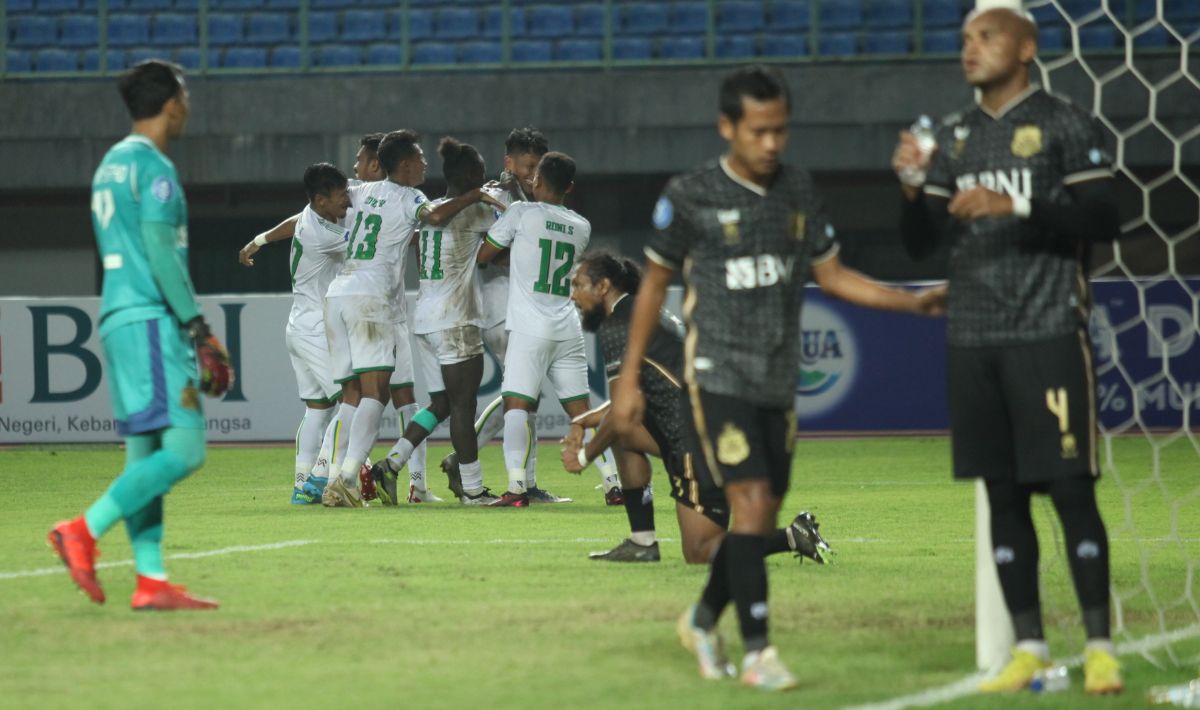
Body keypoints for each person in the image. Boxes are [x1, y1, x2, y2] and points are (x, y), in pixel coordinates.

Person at [611, 65, 945, 689]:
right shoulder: (691, 196)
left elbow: (835, 274)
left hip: (776, 382)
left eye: (781, 131)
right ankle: (760, 652)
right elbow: (654, 285)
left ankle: (703, 619)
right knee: (752, 502)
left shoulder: (798, 190)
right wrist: (628, 379)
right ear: (727, 127)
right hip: (717, 376)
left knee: (759, 520)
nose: (771, 144)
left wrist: (912, 301)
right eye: (759, 131)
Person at [892, 5, 1123, 695]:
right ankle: (1029, 647)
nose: (971, 49)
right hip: (973, 337)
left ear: (1025, 48)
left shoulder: (1063, 121)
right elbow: (920, 242)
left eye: (986, 37)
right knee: (1003, 495)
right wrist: (909, 191)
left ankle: (1102, 648)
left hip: (1048, 330)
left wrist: (1015, 205)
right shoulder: (955, 137)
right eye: (964, 39)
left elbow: (1105, 217)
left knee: (1070, 489)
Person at [49, 59, 233, 611]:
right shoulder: (153, 169)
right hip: (151, 320)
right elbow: (158, 251)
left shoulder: (110, 164)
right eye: (186, 95)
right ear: (172, 102)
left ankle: (150, 580)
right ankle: (83, 529)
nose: (188, 107)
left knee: (143, 458)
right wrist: (197, 326)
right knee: (185, 449)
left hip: (119, 316)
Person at [563, 252, 832, 566]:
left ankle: (790, 536)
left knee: (700, 552)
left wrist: (583, 456)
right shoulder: (644, 312)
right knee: (624, 437)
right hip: (719, 427)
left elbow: (623, 414)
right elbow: (633, 397)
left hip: (697, 442)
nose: (573, 295)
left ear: (603, 286)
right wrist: (587, 418)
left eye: (578, 284)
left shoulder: (618, 326)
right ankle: (642, 542)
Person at [321, 130, 503, 507]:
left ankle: (384, 465)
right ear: (404, 164)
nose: (424, 163)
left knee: (365, 397)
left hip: (351, 297)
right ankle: (349, 476)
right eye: (419, 158)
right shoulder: (420, 200)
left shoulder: (360, 191)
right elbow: (449, 222)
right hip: (399, 305)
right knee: (380, 394)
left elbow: (336, 202)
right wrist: (485, 194)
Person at [475, 152, 598, 507]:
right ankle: (614, 484)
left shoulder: (520, 213)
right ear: (570, 187)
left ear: (536, 181)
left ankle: (516, 489)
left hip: (529, 328)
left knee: (517, 405)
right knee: (583, 412)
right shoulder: (581, 225)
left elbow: (485, 255)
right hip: (567, 327)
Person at [284, 163, 351, 504]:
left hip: (299, 324)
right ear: (321, 199)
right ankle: (320, 475)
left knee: (317, 408)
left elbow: (290, 222)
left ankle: (301, 486)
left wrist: (259, 240)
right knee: (351, 398)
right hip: (314, 328)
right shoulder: (324, 235)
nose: (348, 201)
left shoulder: (309, 216)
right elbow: (371, 242)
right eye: (342, 196)